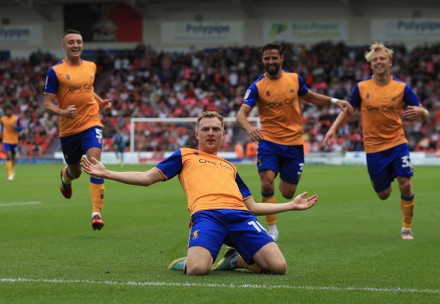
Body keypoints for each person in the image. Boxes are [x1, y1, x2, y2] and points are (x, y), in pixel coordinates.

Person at [80, 111, 319, 275]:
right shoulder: (184, 155)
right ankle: (187, 260)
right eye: (206, 129)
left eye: (216, 129)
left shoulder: (230, 167)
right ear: (197, 134)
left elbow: (253, 207)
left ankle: (235, 260)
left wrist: (291, 205)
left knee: (278, 267)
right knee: (197, 270)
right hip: (207, 216)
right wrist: (107, 172)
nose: (211, 133)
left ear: (223, 134)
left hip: (241, 217)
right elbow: (147, 178)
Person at [236, 43, 353, 241]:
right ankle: (272, 229)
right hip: (269, 141)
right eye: (267, 58)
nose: (271, 61)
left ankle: (281, 189)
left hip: (294, 144)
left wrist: (334, 101)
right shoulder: (257, 86)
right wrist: (249, 128)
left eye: (274, 58)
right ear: (263, 60)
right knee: (266, 183)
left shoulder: (294, 79)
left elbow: (311, 97)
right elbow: (241, 114)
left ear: (281, 59)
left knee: (288, 193)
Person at [324, 42, 429, 240]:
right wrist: (333, 129)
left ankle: (406, 228)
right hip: (373, 148)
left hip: (398, 143)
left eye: (382, 59)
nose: (379, 62)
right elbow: (348, 111)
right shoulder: (361, 88)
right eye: (375, 60)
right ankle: (385, 181)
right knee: (384, 194)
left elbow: (423, 112)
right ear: (371, 65)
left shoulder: (402, 88)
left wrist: (422, 112)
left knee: (405, 183)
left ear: (390, 62)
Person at [43, 29, 112, 231]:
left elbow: (88, 88)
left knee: (95, 163)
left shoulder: (91, 66)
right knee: (76, 171)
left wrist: (100, 102)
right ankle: (65, 177)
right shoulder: (55, 71)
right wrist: (63, 112)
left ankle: (96, 214)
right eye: (71, 42)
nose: (76, 45)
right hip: (68, 129)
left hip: (91, 122)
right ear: (63, 46)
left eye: (79, 42)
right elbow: (47, 104)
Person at [0, 105, 22, 181]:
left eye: (9, 110)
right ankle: (10, 174)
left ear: (12, 111)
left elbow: (20, 128)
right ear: (5, 112)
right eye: (7, 111)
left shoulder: (16, 118)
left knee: (14, 158)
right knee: (8, 154)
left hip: (14, 140)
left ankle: (11, 168)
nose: (8, 112)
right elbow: (2, 127)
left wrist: (15, 127)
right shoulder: (2, 119)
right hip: (6, 140)